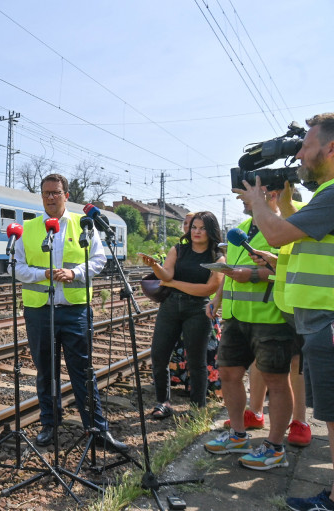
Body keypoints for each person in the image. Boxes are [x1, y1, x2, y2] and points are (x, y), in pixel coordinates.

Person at [236, 113, 334, 511]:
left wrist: (259, 203)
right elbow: (298, 231)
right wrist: (287, 200)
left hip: (327, 321)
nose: (300, 156)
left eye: (306, 148)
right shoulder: (324, 196)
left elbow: (277, 233)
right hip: (318, 321)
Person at [11, 173, 127, 451]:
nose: (51, 197)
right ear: (41, 196)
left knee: (83, 371)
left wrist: (74, 272)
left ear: (66, 195)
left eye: (56, 192)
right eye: (46, 193)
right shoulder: (27, 228)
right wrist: (43, 274)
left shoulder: (83, 225)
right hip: (40, 312)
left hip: (75, 310)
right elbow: (13, 267)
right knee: (46, 373)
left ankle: (96, 428)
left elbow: (99, 260)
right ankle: (49, 424)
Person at [203, 190, 296, 470]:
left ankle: (275, 448)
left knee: (277, 381)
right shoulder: (241, 229)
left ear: (272, 193)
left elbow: (291, 269)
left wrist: (252, 275)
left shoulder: (284, 226)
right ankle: (238, 436)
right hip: (235, 316)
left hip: (270, 317)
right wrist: (217, 299)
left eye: (251, 192)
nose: (243, 199)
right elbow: (230, 270)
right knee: (229, 374)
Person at [140, 211, 224, 418]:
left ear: (211, 231)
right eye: (194, 227)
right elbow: (166, 274)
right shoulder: (178, 249)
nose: (196, 231)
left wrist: (174, 283)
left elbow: (208, 289)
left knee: (196, 361)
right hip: (170, 307)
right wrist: (155, 267)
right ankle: (163, 403)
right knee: (159, 355)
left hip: (198, 310)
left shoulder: (217, 257)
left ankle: (198, 407)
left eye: (202, 228)